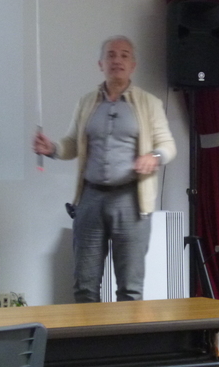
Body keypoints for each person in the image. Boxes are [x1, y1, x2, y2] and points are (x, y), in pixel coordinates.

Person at [33, 35, 176, 302]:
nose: (117, 60)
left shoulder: (149, 103)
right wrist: (51, 148)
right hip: (90, 199)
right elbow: (72, 143)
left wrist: (154, 156)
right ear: (101, 64)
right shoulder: (87, 102)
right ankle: (90, 332)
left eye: (124, 55)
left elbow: (168, 145)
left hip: (131, 200)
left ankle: (125, 332)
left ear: (133, 65)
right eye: (111, 55)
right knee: (84, 286)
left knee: (130, 288)